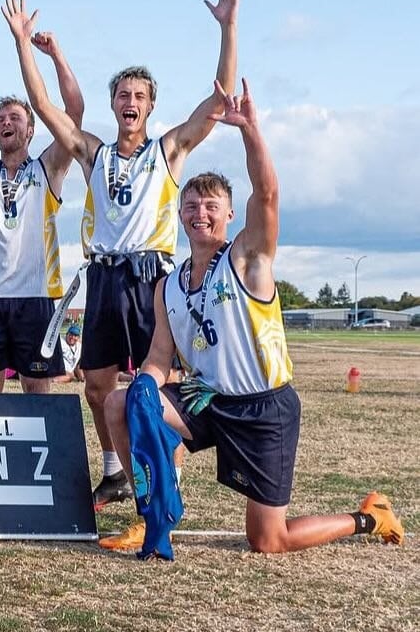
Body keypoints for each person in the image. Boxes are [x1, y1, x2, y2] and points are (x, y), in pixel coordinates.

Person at [101, 80, 405, 554]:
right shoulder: (169, 285)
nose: (200, 213)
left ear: (228, 216)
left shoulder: (246, 259)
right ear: (179, 215)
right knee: (121, 403)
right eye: (191, 206)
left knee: (268, 540)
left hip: (263, 406)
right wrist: (146, 382)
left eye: (211, 206)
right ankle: (152, 512)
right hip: (207, 399)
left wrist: (250, 131)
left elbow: (267, 193)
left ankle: (369, 517)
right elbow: (160, 356)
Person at [5, 0, 239, 508]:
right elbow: (44, 105)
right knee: (95, 384)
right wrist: (22, 42)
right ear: (113, 104)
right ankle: (113, 470)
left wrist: (228, 27)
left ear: (150, 107)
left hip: (150, 278)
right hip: (104, 276)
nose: (130, 102)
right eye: (122, 95)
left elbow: (219, 100)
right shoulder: (94, 153)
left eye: (139, 96)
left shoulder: (168, 151)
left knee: (159, 389)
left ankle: (166, 481)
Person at [0, 28, 83, 393]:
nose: (6, 122)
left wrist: (56, 56)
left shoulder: (48, 168)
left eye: (15, 118)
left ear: (31, 130)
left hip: (36, 296)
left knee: (36, 393)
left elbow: (74, 114)